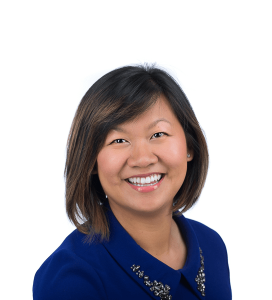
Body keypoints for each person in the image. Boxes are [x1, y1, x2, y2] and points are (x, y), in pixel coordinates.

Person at [33, 65, 232, 299]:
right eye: (119, 140)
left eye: (158, 134)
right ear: (91, 161)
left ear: (189, 146)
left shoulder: (211, 245)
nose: (142, 159)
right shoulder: (71, 279)